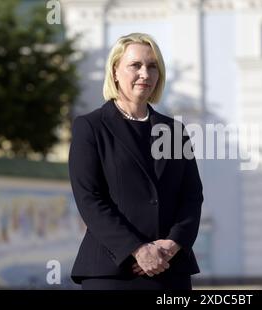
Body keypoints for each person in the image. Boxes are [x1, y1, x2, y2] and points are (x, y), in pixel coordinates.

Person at [68, 33, 203, 290]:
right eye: (136, 65)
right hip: (112, 272)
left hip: (169, 271)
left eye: (153, 67)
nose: (145, 73)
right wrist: (138, 250)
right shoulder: (91, 127)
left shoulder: (175, 131)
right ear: (115, 71)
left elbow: (192, 197)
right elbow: (90, 199)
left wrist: (172, 245)